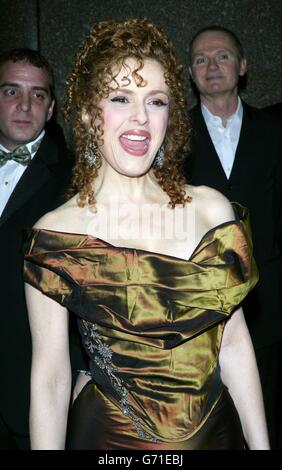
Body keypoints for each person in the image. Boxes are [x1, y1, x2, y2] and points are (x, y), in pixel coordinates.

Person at [23, 18, 269, 450]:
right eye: (121, 98)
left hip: (217, 436)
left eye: (156, 101)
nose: (140, 118)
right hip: (109, 442)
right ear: (86, 111)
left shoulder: (210, 208)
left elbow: (233, 344)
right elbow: (52, 377)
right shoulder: (56, 234)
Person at [183, 25, 282, 449]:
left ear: (242, 66)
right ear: (190, 72)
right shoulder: (171, 134)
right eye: (202, 60)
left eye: (222, 56)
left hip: (271, 302)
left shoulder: (276, 130)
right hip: (194, 304)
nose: (212, 66)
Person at [0, 48, 72, 449]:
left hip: (30, 391)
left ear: (50, 109)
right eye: (12, 91)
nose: (25, 105)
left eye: (38, 95)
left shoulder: (77, 182)